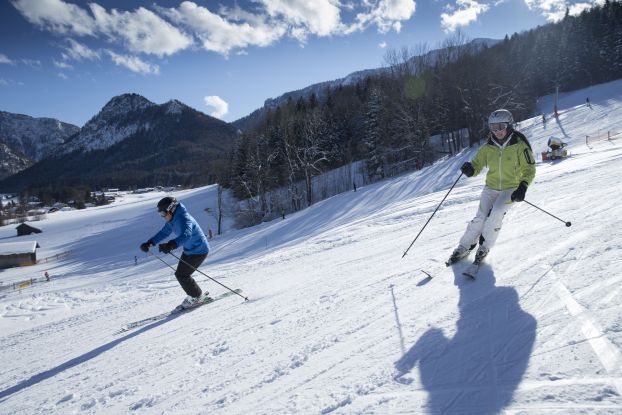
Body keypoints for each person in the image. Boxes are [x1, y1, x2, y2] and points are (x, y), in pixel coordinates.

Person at [448, 109, 536, 266]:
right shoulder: (488, 147)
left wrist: (522, 187)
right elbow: (476, 165)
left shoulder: (519, 145)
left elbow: (529, 169)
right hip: (491, 188)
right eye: (493, 128)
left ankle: (485, 246)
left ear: (509, 125)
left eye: (501, 126)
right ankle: (464, 246)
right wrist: (470, 169)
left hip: (511, 188)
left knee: (495, 213)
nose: (498, 131)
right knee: (480, 217)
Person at [140, 196, 210, 309]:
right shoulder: (172, 220)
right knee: (181, 274)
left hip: (199, 250)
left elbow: (187, 235)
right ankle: (196, 295)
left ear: (171, 209)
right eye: (160, 214)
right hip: (189, 250)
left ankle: (196, 297)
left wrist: (171, 245)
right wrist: (150, 242)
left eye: (163, 213)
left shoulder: (184, 219)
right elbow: (164, 232)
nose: (162, 216)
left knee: (182, 275)